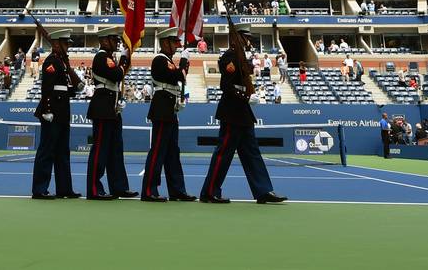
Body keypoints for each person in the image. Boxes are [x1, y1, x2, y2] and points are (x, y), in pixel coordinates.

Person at [199, 24, 287, 204]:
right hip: (232, 112)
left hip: (242, 113)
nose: (248, 41)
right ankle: (209, 192)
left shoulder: (241, 57)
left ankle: (263, 190)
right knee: (223, 154)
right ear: (237, 37)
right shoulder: (229, 56)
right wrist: (245, 96)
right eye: (245, 38)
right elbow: (226, 85)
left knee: (252, 153)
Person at [141, 28, 195, 202]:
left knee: (172, 153)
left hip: (169, 109)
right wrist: (184, 61)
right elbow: (178, 76)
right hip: (162, 109)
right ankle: (149, 190)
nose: (177, 47)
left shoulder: (168, 60)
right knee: (158, 151)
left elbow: (177, 78)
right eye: (174, 43)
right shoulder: (160, 60)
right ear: (165, 43)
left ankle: (177, 189)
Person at [85, 26, 135, 200]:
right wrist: (124, 60)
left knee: (115, 150)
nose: (117, 42)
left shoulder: (109, 57)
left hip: (111, 108)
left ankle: (119, 187)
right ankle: (94, 189)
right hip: (103, 108)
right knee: (100, 150)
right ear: (104, 41)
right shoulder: (101, 57)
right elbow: (116, 75)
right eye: (114, 39)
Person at [32, 29, 81, 200]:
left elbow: (65, 86)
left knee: (62, 152)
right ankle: (39, 189)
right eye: (65, 43)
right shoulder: (52, 61)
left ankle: (64, 188)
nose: (68, 46)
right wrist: (47, 109)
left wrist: (75, 87)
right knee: (47, 151)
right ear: (56, 44)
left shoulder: (62, 62)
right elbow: (47, 88)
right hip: (52, 111)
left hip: (62, 111)